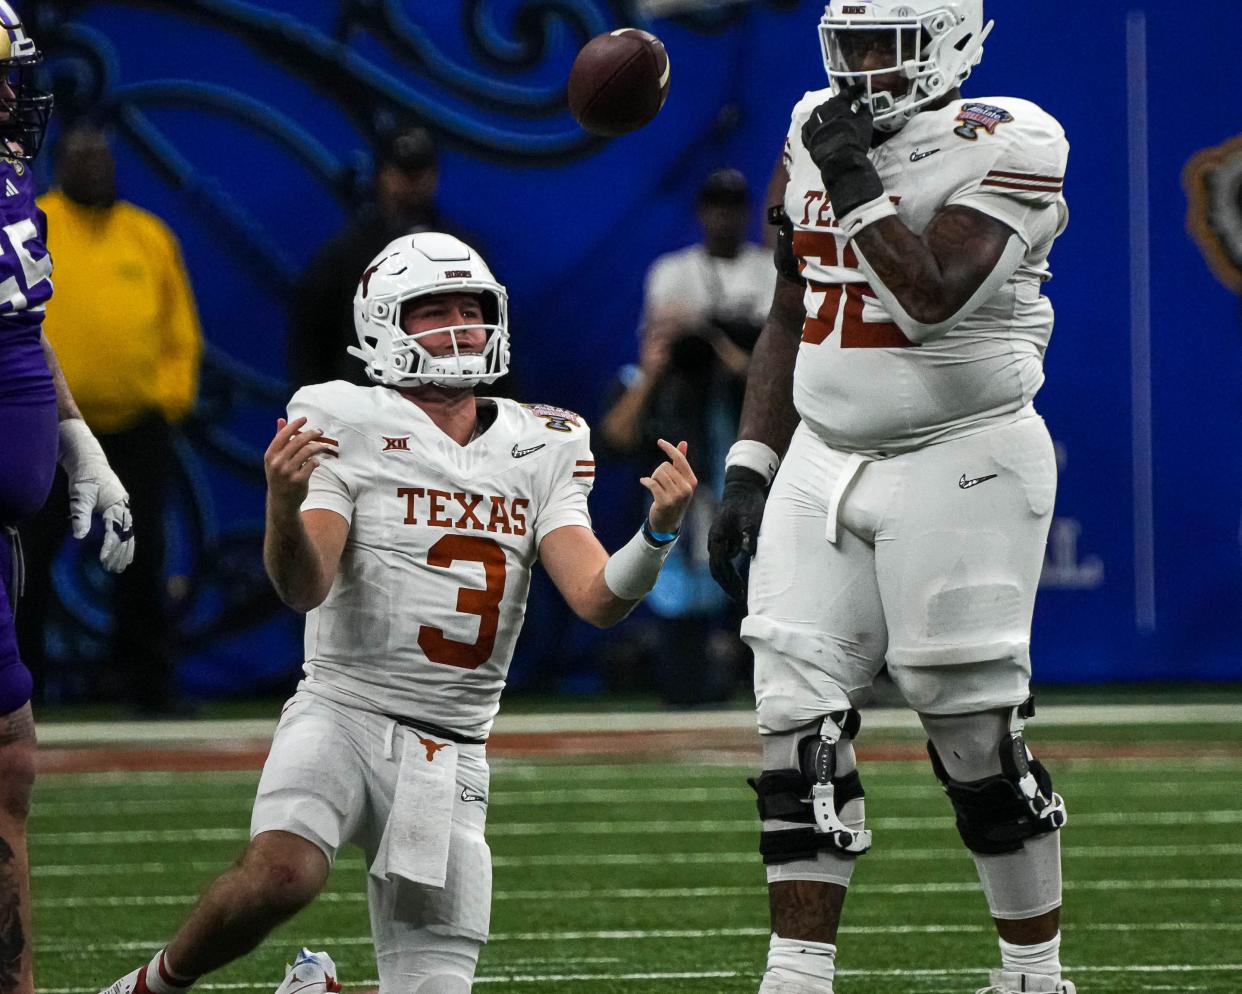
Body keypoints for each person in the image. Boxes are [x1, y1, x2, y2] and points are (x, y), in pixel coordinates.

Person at [97, 231, 697, 994]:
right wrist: (283, 507)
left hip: (452, 748)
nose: (458, 326)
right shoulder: (340, 415)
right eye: (432, 309)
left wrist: (657, 534)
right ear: (384, 324)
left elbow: (597, 597)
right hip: (345, 710)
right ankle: (153, 983)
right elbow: (303, 585)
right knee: (283, 874)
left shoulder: (545, 440)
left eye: (470, 309)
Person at [706, 3, 1074, 993]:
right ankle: (795, 976)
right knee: (792, 719)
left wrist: (857, 176)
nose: (865, 68)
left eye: (888, 46)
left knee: (968, 730)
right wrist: (750, 458)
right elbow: (792, 300)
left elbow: (928, 295)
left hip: (963, 453)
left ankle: (1032, 973)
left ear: (951, 42)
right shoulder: (807, 126)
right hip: (826, 451)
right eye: (852, 46)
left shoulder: (1014, 139)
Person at [0, 5, 135, 994]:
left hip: (4, 526)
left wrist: (78, 437)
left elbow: (24, 327)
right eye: (1, 75)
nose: (16, 93)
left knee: (9, 765)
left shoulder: (13, 180)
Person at [18, 122, 202, 713]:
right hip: (47, 427)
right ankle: (24, 692)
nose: (95, 167)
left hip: (135, 429)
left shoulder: (147, 236)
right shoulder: (30, 227)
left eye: (102, 157)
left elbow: (180, 331)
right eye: (81, 158)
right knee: (28, 563)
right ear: (59, 164)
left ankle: (148, 688)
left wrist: (167, 399)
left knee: (140, 556)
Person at [600, 168, 772, 704]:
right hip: (677, 517)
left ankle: (733, 658)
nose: (723, 217)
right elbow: (614, 438)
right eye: (713, 206)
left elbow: (772, 378)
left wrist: (726, 351)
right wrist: (659, 365)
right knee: (686, 681)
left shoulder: (765, 275)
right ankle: (675, 658)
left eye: (733, 207)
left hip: (736, 491)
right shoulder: (644, 382)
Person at [288, 126, 483, 389]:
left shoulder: (462, 250)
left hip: (448, 400)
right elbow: (311, 341)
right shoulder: (345, 254)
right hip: (367, 404)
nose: (414, 183)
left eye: (422, 172)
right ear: (382, 174)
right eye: (404, 173)